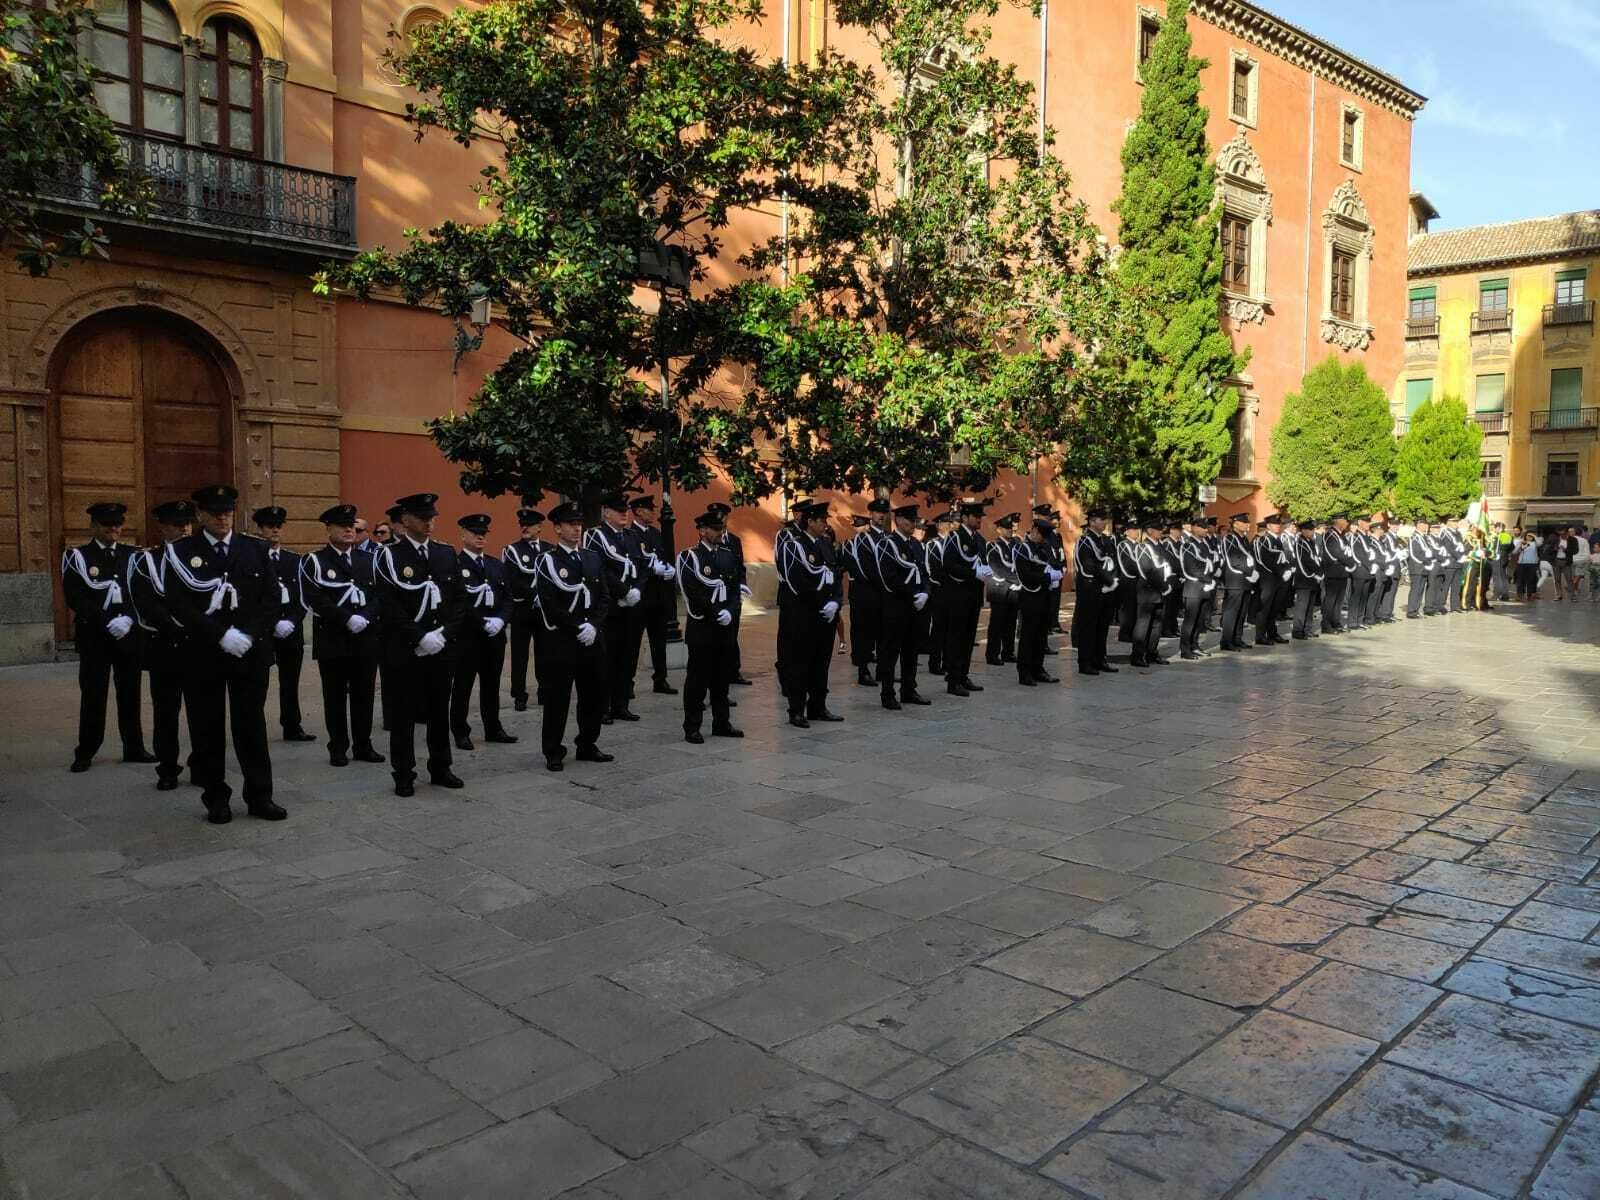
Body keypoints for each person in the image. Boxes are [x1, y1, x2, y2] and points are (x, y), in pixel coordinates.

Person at [162, 485, 283, 824]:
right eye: (214, 512)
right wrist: (220, 635)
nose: (222, 517)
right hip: (204, 654)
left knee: (252, 727)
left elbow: (272, 598)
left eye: (227, 511)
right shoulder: (182, 552)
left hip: (249, 652)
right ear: (199, 515)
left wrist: (249, 634)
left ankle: (261, 796)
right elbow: (177, 603)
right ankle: (216, 798)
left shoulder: (255, 549)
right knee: (207, 728)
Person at [373, 492, 467, 797]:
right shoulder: (389, 555)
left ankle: (441, 767)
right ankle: (403, 772)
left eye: (432, 517)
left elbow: (460, 600)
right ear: (405, 519)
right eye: (422, 518)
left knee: (440, 711)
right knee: (403, 715)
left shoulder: (445, 553)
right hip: (406, 649)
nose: (429, 523)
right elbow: (388, 605)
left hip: (440, 647)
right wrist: (419, 636)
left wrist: (443, 634)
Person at [61, 501, 153, 774]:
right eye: (107, 525)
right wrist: (107, 621)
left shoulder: (133, 555)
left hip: (128, 635)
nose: (114, 529)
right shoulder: (77, 556)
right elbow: (75, 597)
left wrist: (128, 618)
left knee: (130, 692)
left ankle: (134, 747)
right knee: (93, 694)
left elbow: (142, 593)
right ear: (94, 526)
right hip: (95, 636)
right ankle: (86, 750)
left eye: (117, 524)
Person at [299, 504, 385, 768]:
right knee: (334, 697)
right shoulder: (315, 561)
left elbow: (381, 594)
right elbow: (314, 598)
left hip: (365, 639)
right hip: (333, 640)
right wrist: (347, 618)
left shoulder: (369, 560)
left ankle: (363, 745)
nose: (349, 530)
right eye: (342, 526)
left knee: (364, 695)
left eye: (352, 526)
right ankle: (338, 747)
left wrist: (366, 617)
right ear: (329, 529)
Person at [535, 502, 614, 770]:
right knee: (558, 697)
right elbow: (550, 602)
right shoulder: (548, 560)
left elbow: (604, 596)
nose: (576, 529)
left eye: (579, 524)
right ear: (557, 528)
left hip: (592, 638)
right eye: (570, 524)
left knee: (593, 694)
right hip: (563, 641)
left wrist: (593, 625)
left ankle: (587, 744)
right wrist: (578, 627)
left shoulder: (592, 557)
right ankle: (553, 751)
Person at [127, 499, 193, 788]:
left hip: (199, 646)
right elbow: (145, 601)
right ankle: (168, 768)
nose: (185, 529)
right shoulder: (146, 560)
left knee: (204, 712)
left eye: (188, 524)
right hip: (164, 644)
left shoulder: (204, 558)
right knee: (165, 711)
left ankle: (203, 764)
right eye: (177, 525)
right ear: (162, 527)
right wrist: (179, 626)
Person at [676, 510, 744, 743]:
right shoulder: (689, 557)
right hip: (703, 627)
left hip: (724, 627)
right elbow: (692, 592)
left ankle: (721, 722)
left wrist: (731, 610)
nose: (720, 533)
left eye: (721, 528)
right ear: (702, 530)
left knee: (722, 679)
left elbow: (736, 587)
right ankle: (692, 726)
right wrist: (716, 612)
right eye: (715, 529)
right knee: (697, 680)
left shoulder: (727, 554)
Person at [451, 513, 517, 751]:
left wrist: (500, 620)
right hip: (469, 637)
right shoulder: (456, 565)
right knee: (463, 685)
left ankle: (493, 727)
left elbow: (508, 598)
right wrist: (482, 623)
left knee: (491, 683)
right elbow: (459, 602)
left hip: (495, 636)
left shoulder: (495, 565)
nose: (480, 537)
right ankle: (460, 730)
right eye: (474, 533)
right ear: (463, 535)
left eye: (483, 533)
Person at [776, 499, 843, 726]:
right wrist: (821, 603)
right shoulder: (794, 545)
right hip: (804, 614)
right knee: (800, 662)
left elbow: (835, 574)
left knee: (821, 662)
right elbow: (797, 582)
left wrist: (835, 601)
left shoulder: (825, 544)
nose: (825, 524)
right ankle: (797, 710)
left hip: (826, 615)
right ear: (810, 521)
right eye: (821, 520)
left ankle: (818, 706)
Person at [251, 507, 316, 743]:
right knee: (259, 682)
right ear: (260, 529)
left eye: (279, 525)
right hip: (263, 631)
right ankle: (254, 727)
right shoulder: (252, 558)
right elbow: (251, 598)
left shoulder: (294, 560)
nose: (275, 530)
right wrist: (270, 623)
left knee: (291, 681)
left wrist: (292, 620)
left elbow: (303, 595)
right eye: (270, 526)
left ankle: (292, 724)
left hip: (290, 629)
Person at [585, 493, 649, 723]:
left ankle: (621, 705)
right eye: (618, 510)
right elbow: (599, 569)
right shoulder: (595, 536)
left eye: (625, 510)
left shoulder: (631, 536)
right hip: (610, 607)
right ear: (606, 512)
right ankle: (602, 708)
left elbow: (642, 566)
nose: (624, 514)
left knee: (628, 656)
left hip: (632, 606)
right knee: (607, 659)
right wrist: (623, 592)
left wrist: (637, 591)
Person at [875, 502, 933, 707]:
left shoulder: (916, 545)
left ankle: (909, 689)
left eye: (914, 520)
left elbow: (925, 572)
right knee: (891, 651)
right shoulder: (887, 544)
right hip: (896, 605)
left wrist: (925, 592)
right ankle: (888, 693)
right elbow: (889, 577)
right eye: (909, 520)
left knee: (911, 650)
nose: (913, 524)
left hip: (916, 606)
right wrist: (912, 595)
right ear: (898, 520)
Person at [940, 499, 993, 696]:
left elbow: (983, 562)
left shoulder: (980, 540)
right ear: (964, 518)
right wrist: (973, 573)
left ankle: (963, 674)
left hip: (974, 595)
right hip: (958, 594)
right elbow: (948, 564)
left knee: (969, 637)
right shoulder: (954, 537)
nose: (979, 520)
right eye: (976, 517)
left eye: (980, 517)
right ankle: (953, 680)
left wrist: (986, 572)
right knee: (956, 637)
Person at [629, 495, 679, 696]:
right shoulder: (630, 535)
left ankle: (661, 679)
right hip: (640, 597)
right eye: (649, 509)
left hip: (657, 596)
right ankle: (628, 682)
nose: (652, 512)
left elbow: (664, 556)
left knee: (659, 641)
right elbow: (634, 564)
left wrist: (668, 569)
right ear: (639, 511)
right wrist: (652, 571)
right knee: (633, 643)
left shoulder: (655, 533)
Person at [502, 508, 548, 712]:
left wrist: (544, 597)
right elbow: (512, 580)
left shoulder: (549, 549)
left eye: (529, 525)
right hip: (522, 609)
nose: (524, 527)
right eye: (522, 524)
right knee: (520, 654)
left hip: (544, 610)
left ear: (539, 527)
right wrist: (534, 594)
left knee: (544, 652)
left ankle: (544, 690)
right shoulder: (512, 550)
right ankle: (519, 695)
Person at [705, 502, 753, 686]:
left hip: (733, 595)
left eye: (722, 516)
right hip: (717, 595)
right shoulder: (707, 539)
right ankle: (719, 674)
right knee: (719, 636)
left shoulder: (734, 540)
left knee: (732, 634)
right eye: (715, 515)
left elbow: (740, 567)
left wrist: (742, 585)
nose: (719, 519)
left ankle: (734, 670)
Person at [844, 499, 888, 685]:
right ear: (871, 514)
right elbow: (867, 568)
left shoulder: (886, 537)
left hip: (883, 592)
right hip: (867, 591)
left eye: (884, 512)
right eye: (878, 512)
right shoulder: (864, 538)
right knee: (864, 631)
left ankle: (883, 670)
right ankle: (863, 671)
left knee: (883, 632)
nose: (881, 515)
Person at [1014, 518, 1059, 683]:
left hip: (1044, 596)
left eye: (1044, 536)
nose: (1042, 538)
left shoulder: (1044, 548)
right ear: (1033, 530)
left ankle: (1038, 668)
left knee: (1041, 635)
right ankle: (1024, 672)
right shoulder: (1022, 549)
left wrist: (1055, 574)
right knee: (1028, 635)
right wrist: (1047, 577)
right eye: (1041, 534)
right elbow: (1025, 574)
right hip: (1030, 596)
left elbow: (1053, 564)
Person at [1129, 516, 1173, 667]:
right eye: (1158, 529)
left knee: (1157, 625)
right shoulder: (1143, 547)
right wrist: (1164, 586)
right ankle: (1137, 655)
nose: (1162, 531)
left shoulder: (1160, 546)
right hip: (1148, 591)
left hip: (1160, 590)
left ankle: (1152, 653)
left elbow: (1167, 564)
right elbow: (1148, 570)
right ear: (1150, 531)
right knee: (1143, 624)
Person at [984, 512, 1021, 666]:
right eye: (1006, 528)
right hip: (999, 589)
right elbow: (998, 568)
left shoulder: (1015, 545)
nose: (1009, 531)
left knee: (1011, 623)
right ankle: (992, 654)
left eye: (1010, 528)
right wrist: (1018, 580)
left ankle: (1008, 652)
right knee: (997, 624)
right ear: (999, 529)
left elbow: (1019, 564)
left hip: (1013, 589)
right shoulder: (993, 546)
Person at [1177, 514, 1215, 660]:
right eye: (1203, 527)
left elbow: (1211, 562)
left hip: (1205, 587)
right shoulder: (1188, 545)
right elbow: (1191, 567)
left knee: (1199, 620)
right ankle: (1185, 649)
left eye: (1206, 527)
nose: (1206, 530)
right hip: (1194, 587)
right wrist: (1207, 579)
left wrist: (1211, 579)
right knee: (1190, 620)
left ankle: (1194, 645)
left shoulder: (1204, 544)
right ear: (1194, 528)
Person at [1218, 513, 1258, 651]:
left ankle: (1237, 638)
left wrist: (1252, 571)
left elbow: (1249, 558)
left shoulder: (1244, 539)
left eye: (1247, 522)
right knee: (1232, 612)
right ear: (1235, 524)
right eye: (1244, 522)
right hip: (1235, 581)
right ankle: (1227, 641)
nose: (1248, 525)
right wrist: (1249, 571)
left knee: (1242, 613)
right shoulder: (1229, 538)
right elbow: (1233, 560)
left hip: (1246, 581)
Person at [1251, 513, 1288, 646]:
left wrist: (1287, 568)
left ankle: (1272, 633)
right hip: (1267, 578)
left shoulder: (1277, 540)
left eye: (1279, 524)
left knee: (1274, 608)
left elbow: (1281, 558)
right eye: (1274, 524)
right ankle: (1260, 636)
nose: (1278, 526)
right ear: (1268, 526)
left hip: (1277, 578)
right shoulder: (1264, 540)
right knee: (1265, 608)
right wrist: (1281, 571)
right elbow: (1263, 560)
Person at [923, 512, 951, 678]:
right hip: (939, 589)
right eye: (949, 523)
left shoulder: (951, 543)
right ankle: (935, 663)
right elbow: (935, 569)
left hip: (951, 591)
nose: (952, 525)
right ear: (941, 525)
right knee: (939, 628)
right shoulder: (934, 544)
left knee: (949, 628)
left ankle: (947, 661)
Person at [1287, 517, 1323, 639]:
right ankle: (1297, 631)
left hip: (1312, 579)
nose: (1312, 532)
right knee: (1301, 607)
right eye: (1309, 530)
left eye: (1312, 530)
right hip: (1304, 579)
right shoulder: (1300, 543)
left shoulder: (1310, 542)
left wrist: (1319, 572)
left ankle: (1307, 629)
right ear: (1303, 530)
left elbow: (1315, 559)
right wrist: (1314, 574)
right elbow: (1304, 562)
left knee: (1310, 607)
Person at [1346, 515, 1378, 632]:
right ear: (1359, 522)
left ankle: (1359, 620)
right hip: (1359, 570)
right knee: (1356, 596)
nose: (1368, 524)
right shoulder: (1356, 536)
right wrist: (1370, 565)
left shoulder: (1366, 536)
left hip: (1367, 571)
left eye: (1369, 522)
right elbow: (1358, 553)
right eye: (1366, 522)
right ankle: (1352, 621)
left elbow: (1370, 552)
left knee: (1364, 597)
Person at [1405, 519, 1439, 618]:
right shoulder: (1414, 537)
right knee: (1415, 590)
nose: (1426, 526)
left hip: (1424, 568)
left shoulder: (1424, 537)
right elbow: (1414, 553)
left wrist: (1430, 560)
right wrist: (1425, 561)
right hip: (1417, 567)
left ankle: (1416, 610)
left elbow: (1428, 551)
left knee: (1420, 590)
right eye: (1424, 524)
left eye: (1426, 524)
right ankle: (1411, 611)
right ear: (1419, 525)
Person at [1515, 530, 1541, 600]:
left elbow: (1540, 543)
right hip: (1521, 563)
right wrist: (1521, 547)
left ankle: (1530, 595)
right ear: (1525, 536)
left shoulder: (1535, 543)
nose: (1529, 537)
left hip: (1532, 564)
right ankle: (1520, 594)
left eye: (1531, 536)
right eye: (1528, 536)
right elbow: (1514, 552)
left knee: (1531, 579)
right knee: (1520, 580)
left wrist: (1534, 536)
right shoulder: (1521, 542)